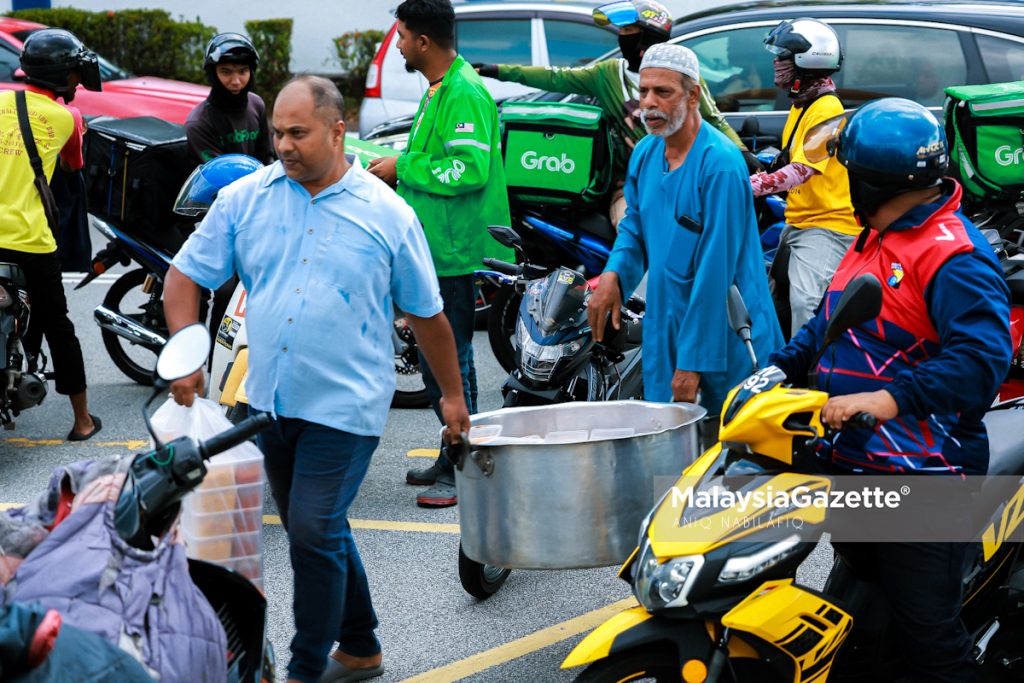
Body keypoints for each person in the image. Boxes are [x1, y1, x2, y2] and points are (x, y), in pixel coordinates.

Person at [163, 75, 471, 683]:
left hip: (347, 404)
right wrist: (186, 349)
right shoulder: (247, 198)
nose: (283, 145)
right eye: (277, 132)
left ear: (337, 132)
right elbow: (184, 276)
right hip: (268, 400)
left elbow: (428, 315)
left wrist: (454, 396)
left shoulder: (388, 212)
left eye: (297, 133)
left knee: (310, 526)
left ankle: (307, 667)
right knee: (319, 527)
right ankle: (361, 648)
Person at [769, 98, 1013, 682]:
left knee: (928, 644)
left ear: (872, 180)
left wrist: (889, 399)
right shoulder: (874, 235)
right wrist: (778, 367)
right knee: (858, 633)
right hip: (855, 464)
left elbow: (983, 362)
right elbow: (827, 320)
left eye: (849, 172)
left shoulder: (952, 256)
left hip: (924, 476)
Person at [587, 43, 783, 430]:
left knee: (728, 465)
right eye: (643, 92)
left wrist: (692, 362)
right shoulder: (645, 153)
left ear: (693, 95)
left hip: (726, 334)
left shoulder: (720, 165)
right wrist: (613, 276)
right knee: (670, 456)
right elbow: (635, 228)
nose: (648, 104)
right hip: (667, 323)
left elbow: (715, 273)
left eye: (663, 92)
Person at [367, 0, 513, 508]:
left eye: (402, 36)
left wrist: (401, 168)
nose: (400, 44)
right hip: (431, 245)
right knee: (433, 360)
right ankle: (450, 452)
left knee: (452, 361)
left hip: (453, 249)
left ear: (423, 42)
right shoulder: (438, 89)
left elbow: (468, 170)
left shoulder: (464, 92)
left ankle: (466, 466)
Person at [475, 0, 760, 227]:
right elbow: (555, 77)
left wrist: (741, 151)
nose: (621, 39)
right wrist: (497, 70)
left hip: (685, 177)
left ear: (648, 37)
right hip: (631, 185)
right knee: (633, 230)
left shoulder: (681, 76)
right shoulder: (608, 73)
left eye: (627, 32)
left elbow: (713, 120)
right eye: (621, 33)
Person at [0, 29, 101, 440]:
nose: (79, 80)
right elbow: (74, 167)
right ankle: (82, 421)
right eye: (75, 73)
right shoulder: (68, 118)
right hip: (28, 240)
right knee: (58, 325)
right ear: (62, 76)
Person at [751, 18, 860, 337]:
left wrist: (749, 187)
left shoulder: (827, 108)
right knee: (767, 300)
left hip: (827, 227)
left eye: (783, 56)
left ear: (807, 61)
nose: (776, 62)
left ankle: (808, 378)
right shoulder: (803, 104)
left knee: (806, 305)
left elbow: (803, 170)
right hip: (799, 220)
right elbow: (792, 158)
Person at [185, 33, 274, 165]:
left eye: (243, 71)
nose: (236, 81)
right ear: (213, 74)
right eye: (226, 72)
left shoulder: (257, 104)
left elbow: (266, 158)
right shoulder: (199, 122)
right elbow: (221, 175)